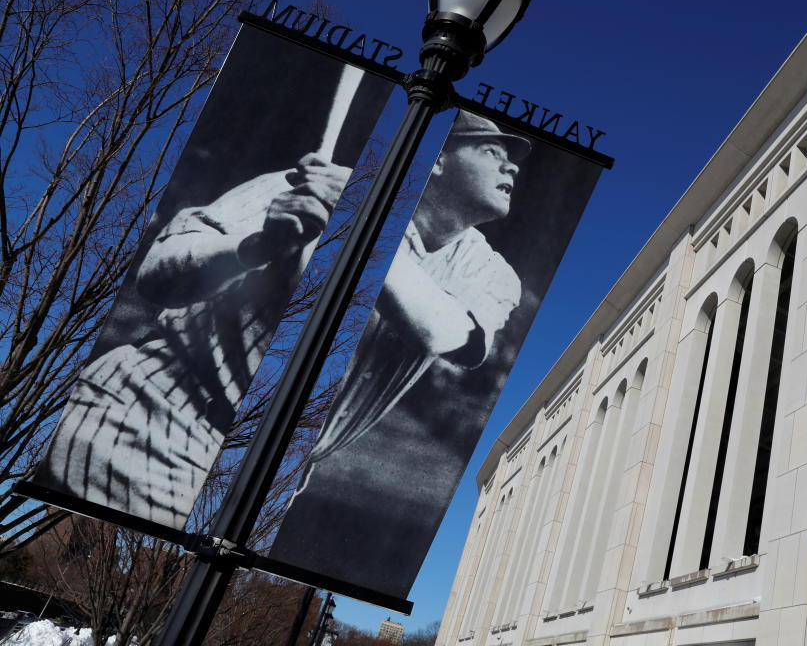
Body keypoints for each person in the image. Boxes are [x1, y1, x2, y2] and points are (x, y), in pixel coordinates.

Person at [37, 153, 351, 528]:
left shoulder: (369, 212)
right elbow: (157, 272)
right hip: (145, 404)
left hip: (236, 458)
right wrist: (257, 245)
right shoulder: (307, 183)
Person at [302, 111, 530, 468]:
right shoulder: (334, 187)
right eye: (490, 152)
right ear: (437, 160)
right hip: (205, 420)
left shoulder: (494, 273)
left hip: (296, 467)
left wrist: (358, 219)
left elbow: (438, 333)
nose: (512, 168)